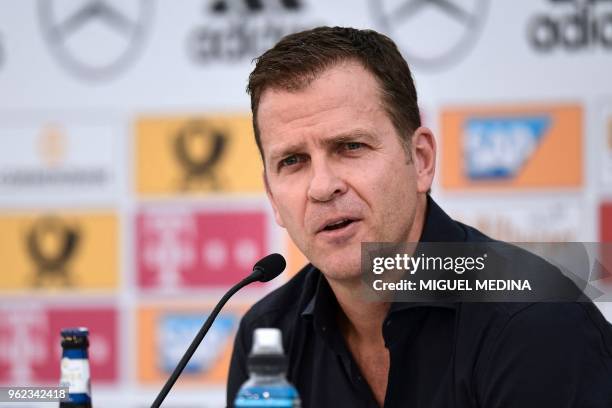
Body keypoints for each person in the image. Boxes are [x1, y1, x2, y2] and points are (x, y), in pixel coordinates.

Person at [226, 26, 612, 407]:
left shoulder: (534, 323)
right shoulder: (267, 334)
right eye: (293, 161)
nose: (322, 187)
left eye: (350, 146)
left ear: (422, 161)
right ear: (272, 196)